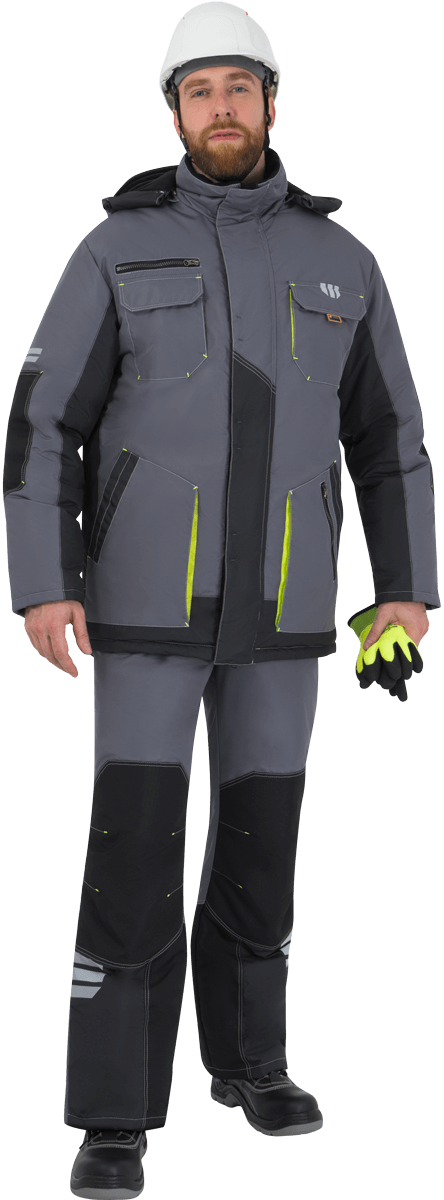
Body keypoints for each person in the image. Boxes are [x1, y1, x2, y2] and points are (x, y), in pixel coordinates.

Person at [3, 3, 439, 1195]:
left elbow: (392, 443)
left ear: (273, 103)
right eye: (199, 91)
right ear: (174, 114)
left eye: (240, 87)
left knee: (264, 841)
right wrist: (43, 585)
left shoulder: (345, 261)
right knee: (133, 848)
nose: (222, 108)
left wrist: (405, 595)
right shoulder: (113, 248)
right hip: (142, 606)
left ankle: (252, 1064)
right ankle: (114, 1115)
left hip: (289, 614)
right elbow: (45, 426)